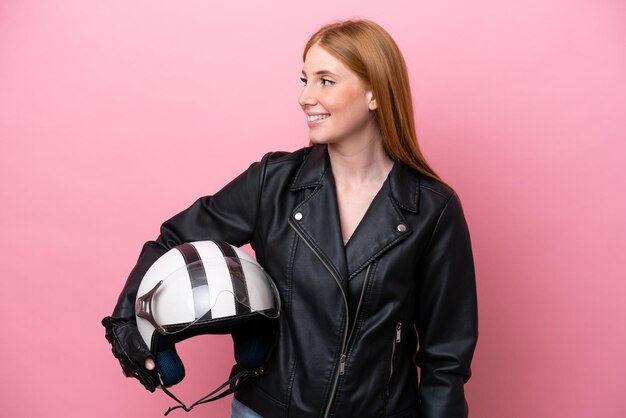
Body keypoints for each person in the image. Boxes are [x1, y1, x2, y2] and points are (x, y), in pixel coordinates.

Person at [103, 19, 478, 418]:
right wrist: (127, 320)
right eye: (304, 79)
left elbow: (446, 360)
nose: (304, 97)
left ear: (374, 94)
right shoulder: (273, 182)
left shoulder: (433, 209)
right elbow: (172, 241)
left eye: (325, 81)